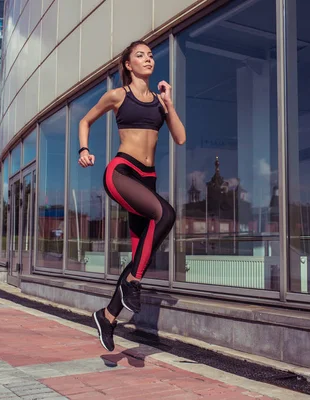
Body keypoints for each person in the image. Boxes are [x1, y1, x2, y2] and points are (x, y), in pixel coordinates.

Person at [77, 40, 186, 351]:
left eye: (151, 55)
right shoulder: (117, 95)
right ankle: (132, 284)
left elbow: (180, 138)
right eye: (140, 55)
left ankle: (108, 315)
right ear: (128, 64)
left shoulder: (159, 102)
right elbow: (85, 120)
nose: (148, 58)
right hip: (122, 172)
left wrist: (169, 103)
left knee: (141, 256)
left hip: (148, 180)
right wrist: (84, 149)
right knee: (166, 215)